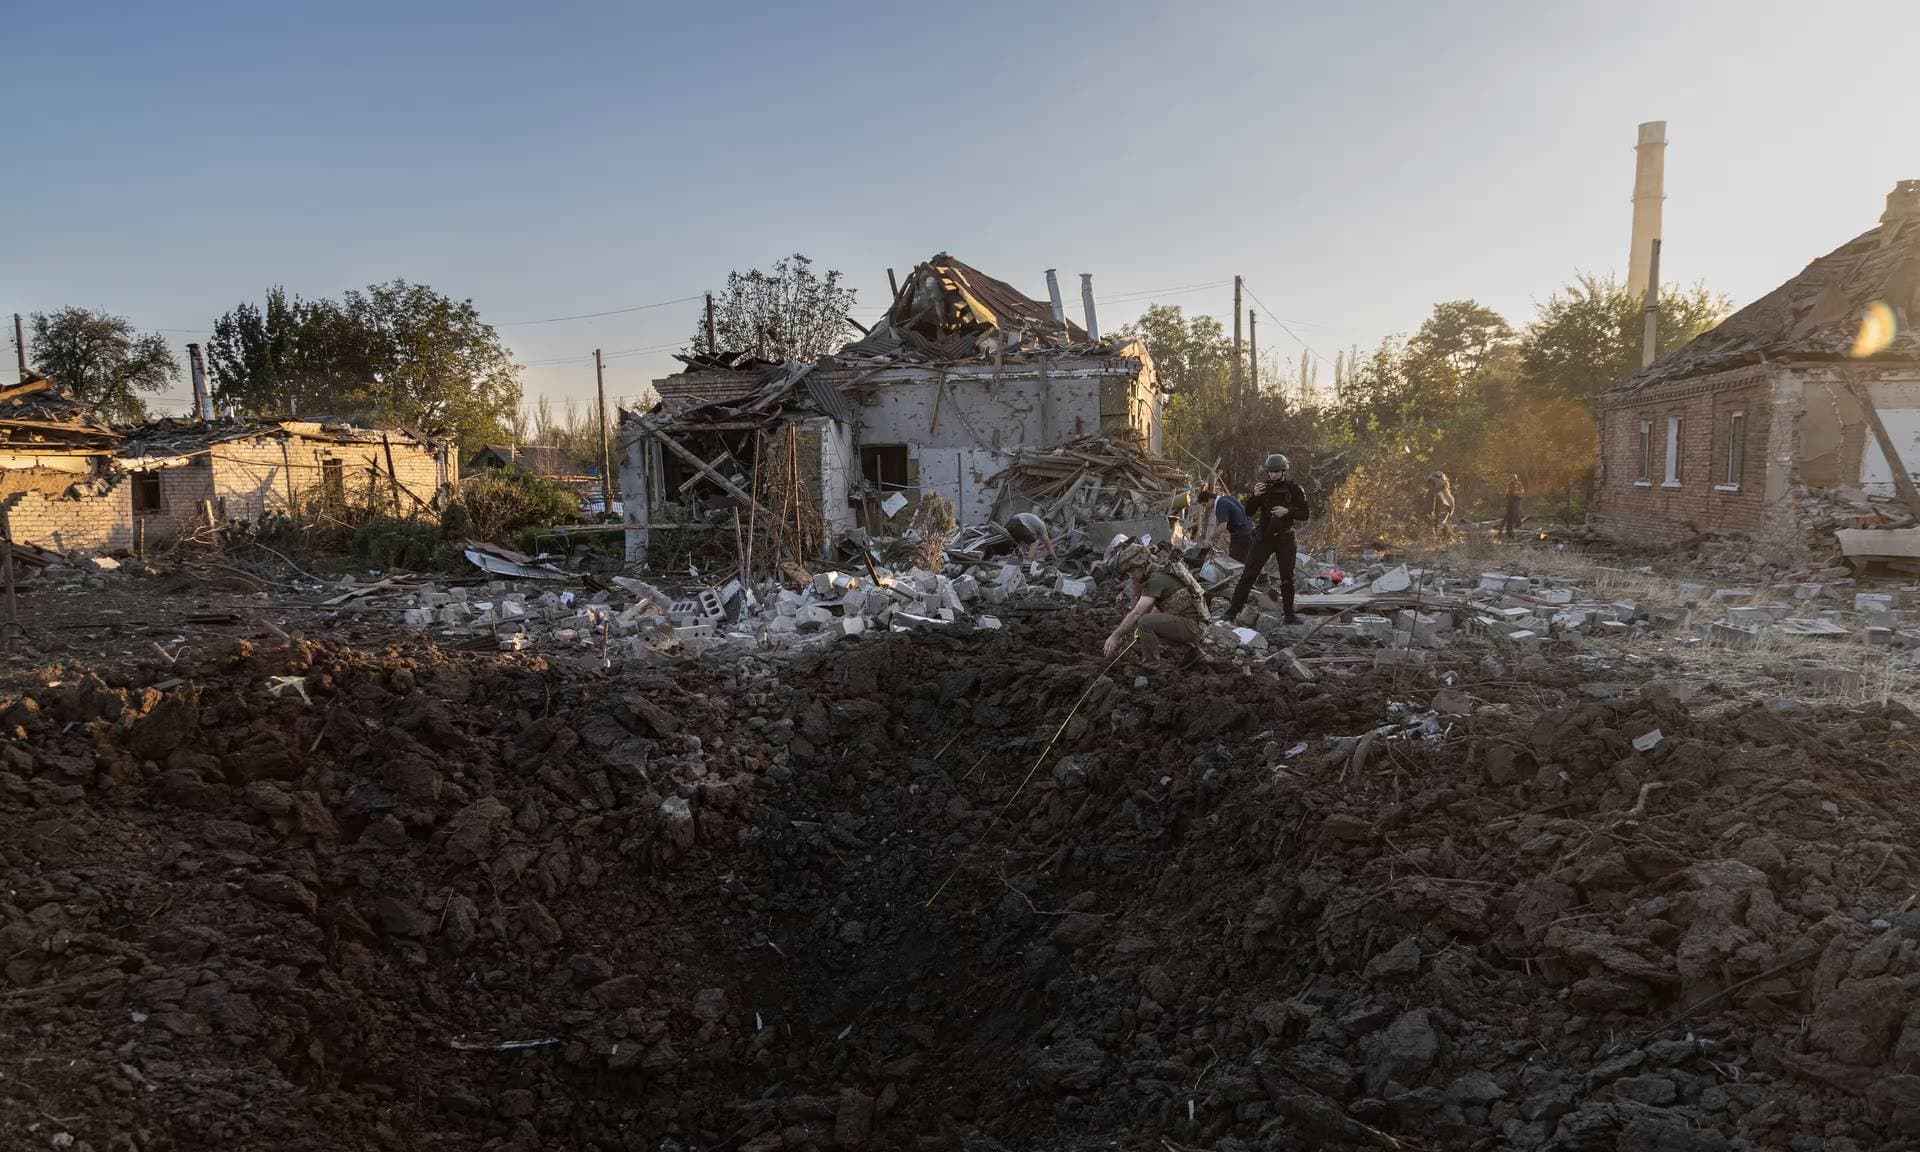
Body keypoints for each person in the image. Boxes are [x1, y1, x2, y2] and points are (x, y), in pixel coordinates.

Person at [1224, 453, 1311, 625]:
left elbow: (1305, 514)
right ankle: (1231, 612)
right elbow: (1248, 512)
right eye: (1270, 472)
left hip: (1285, 538)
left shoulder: (1295, 489)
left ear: (1284, 471)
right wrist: (1255, 496)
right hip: (1263, 537)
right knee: (1248, 575)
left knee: (1287, 578)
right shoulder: (1262, 488)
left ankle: (1289, 615)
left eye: (1276, 471)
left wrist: (1287, 511)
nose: (1273, 475)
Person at [1102, 542, 1209, 668]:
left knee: (1145, 622)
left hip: (1193, 626)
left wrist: (1115, 636)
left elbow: (1137, 613)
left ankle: (1150, 667)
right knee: (1145, 627)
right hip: (1196, 624)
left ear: (1143, 565)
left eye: (1133, 570)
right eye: (1128, 572)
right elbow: (1163, 606)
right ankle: (1192, 653)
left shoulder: (1156, 580)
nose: (1131, 576)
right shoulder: (1160, 572)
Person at [1197, 488, 1256, 562]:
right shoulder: (1227, 498)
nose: (1206, 508)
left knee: (1234, 562)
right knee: (1246, 560)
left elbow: (1222, 526)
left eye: (1204, 505)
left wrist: (1210, 539)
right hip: (1250, 529)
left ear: (1210, 499)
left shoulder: (1220, 505)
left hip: (1241, 534)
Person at [1502, 474, 1525, 540]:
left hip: (1516, 500)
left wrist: (1517, 496)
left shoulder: (1518, 484)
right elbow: (1507, 493)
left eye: (1512, 478)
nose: (1511, 480)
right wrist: (1507, 497)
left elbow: (1521, 492)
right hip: (1510, 501)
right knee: (1510, 515)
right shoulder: (1509, 485)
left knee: (1516, 513)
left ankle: (1518, 525)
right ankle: (1510, 529)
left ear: (1515, 478)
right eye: (1510, 478)